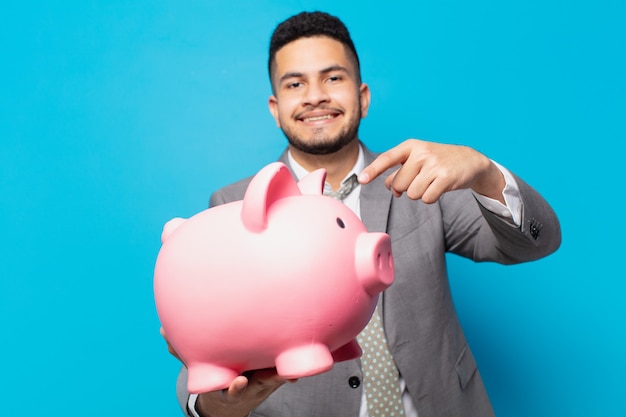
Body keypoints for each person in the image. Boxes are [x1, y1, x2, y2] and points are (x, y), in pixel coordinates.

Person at [163, 11, 561, 417]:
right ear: (275, 107)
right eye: (295, 83)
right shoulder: (233, 205)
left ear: (363, 96)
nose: (315, 95)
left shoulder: (420, 180)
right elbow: (207, 345)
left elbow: (536, 242)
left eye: (333, 78)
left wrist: (485, 172)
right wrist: (215, 406)